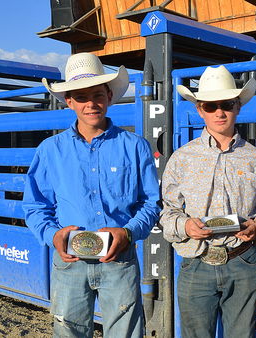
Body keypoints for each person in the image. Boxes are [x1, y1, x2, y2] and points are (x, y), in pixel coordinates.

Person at [23, 52, 160, 337]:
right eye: (81, 97)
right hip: (69, 261)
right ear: (69, 101)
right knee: (68, 331)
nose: (91, 103)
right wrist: (53, 236)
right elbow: (36, 206)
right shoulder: (50, 150)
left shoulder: (135, 146)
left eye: (97, 94)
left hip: (119, 259)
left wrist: (129, 232)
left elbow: (151, 202)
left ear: (109, 96)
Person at [160, 65, 256, 338]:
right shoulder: (182, 158)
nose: (219, 112)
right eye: (210, 106)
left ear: (237, 107)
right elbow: (167, 212)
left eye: (226, 104)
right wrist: (185, 227)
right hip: (197, 260)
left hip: (243, 261)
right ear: (199, 110)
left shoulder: (255, 158)